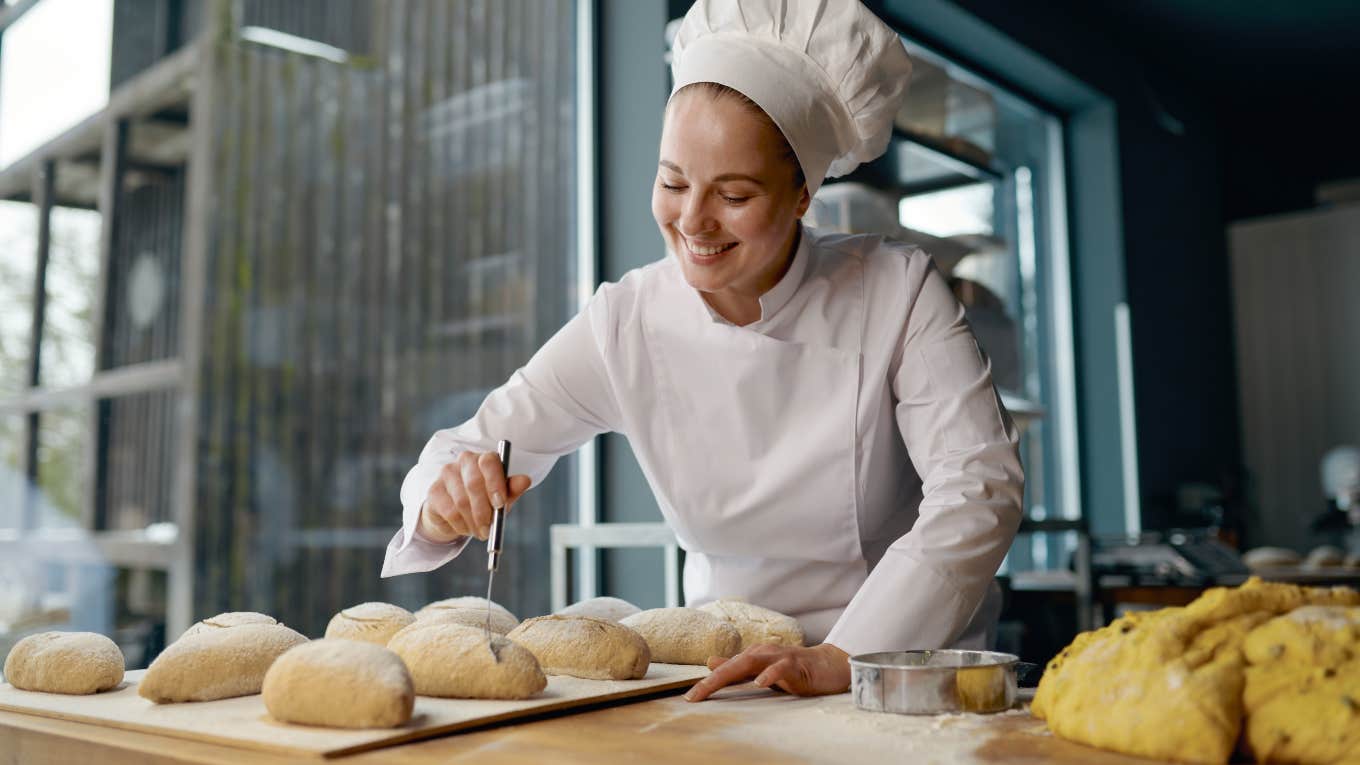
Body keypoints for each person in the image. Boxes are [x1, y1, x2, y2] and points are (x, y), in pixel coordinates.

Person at [381, 0, 1024, 702]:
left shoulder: (897, 292)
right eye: (673, 182)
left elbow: (979, 488)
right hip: (729, 676)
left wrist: (845, 656)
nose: (692, 220)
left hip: (899, 674)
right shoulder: (626, 322)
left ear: (803, 193)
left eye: (734, 193)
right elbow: (468, 446)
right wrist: (445, 498)